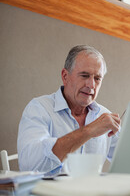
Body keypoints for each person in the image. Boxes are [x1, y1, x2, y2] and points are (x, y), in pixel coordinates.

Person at [17, 45, 121, 173]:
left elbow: (129, 161)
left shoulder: (105, 116)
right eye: (84, 75)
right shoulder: (39, 108)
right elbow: (30, 166)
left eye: (97, 78)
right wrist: (88, 131)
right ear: (65, 76)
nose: (91, 85)